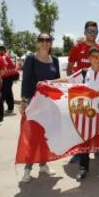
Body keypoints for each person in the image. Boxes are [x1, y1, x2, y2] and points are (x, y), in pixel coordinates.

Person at [53, 47, 99, 181]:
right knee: (84, 141)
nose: (96, 59)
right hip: (86, 113)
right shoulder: (83, 73)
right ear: (88, 58)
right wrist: (49, 83)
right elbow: (67, 81)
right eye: (93, 56)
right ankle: (84, 168)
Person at [20, 33, 59, 183]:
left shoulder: (54, 60)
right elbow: (26, 81)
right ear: (37, 43)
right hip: (34, 104)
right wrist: (24, 101)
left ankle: (43, 165)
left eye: (48, 40)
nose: (45, 42)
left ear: (51, 43)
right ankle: (27, 170)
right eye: (41, 40)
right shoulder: (31, 59)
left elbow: (56, 83)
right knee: (33, 138)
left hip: (49, 104)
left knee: (45, 137)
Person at [66, 21, 99, 164]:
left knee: (98, 122)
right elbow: (70, 68)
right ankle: (80, 151)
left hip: (98, 94)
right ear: (84, 32)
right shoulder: (77, 47)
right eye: (89, 31)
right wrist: (74, 86)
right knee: (81, 123)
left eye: (95, 31)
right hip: (81, 93)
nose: (92, 34)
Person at [0, 45, 19, 114]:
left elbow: (3, 66)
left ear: (2, 50)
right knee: (8, 92)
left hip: (8, 76)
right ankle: (10, 108)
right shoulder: (5, 56)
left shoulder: (4, 56)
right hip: (9, 76)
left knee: (3, 92)